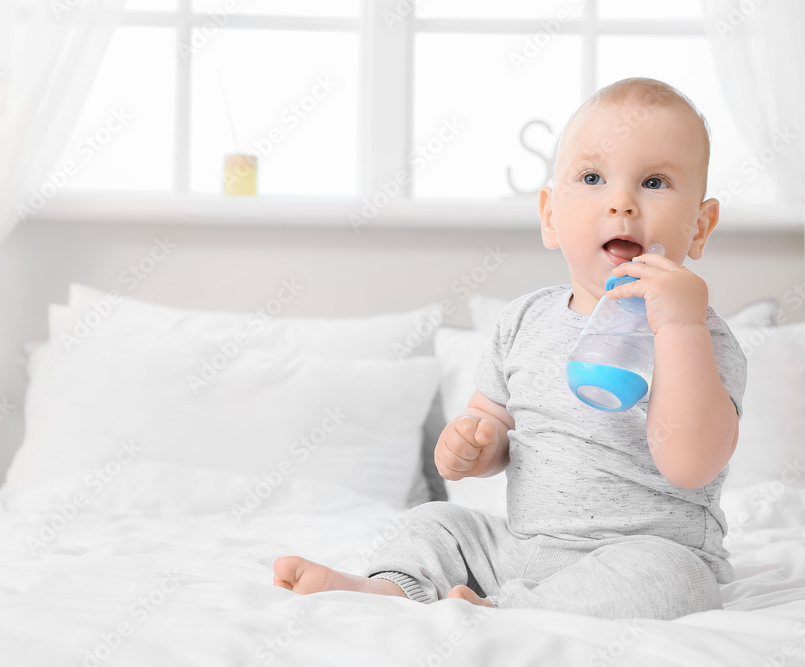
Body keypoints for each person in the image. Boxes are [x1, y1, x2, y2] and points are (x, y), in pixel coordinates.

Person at [272, 77, 747, 620]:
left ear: (701, 226)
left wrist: (679, 326)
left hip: (643, 554)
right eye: (592, 177)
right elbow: (491, 418)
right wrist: (477, 443)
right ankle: (394, 588)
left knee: (676, 580)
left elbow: (692, 465)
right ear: (550, 216)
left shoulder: (701, 336)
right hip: (521, 549)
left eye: (655, 181)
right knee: (437, 522)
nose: (621, 203)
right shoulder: (524, 321)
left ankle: (500, 610)